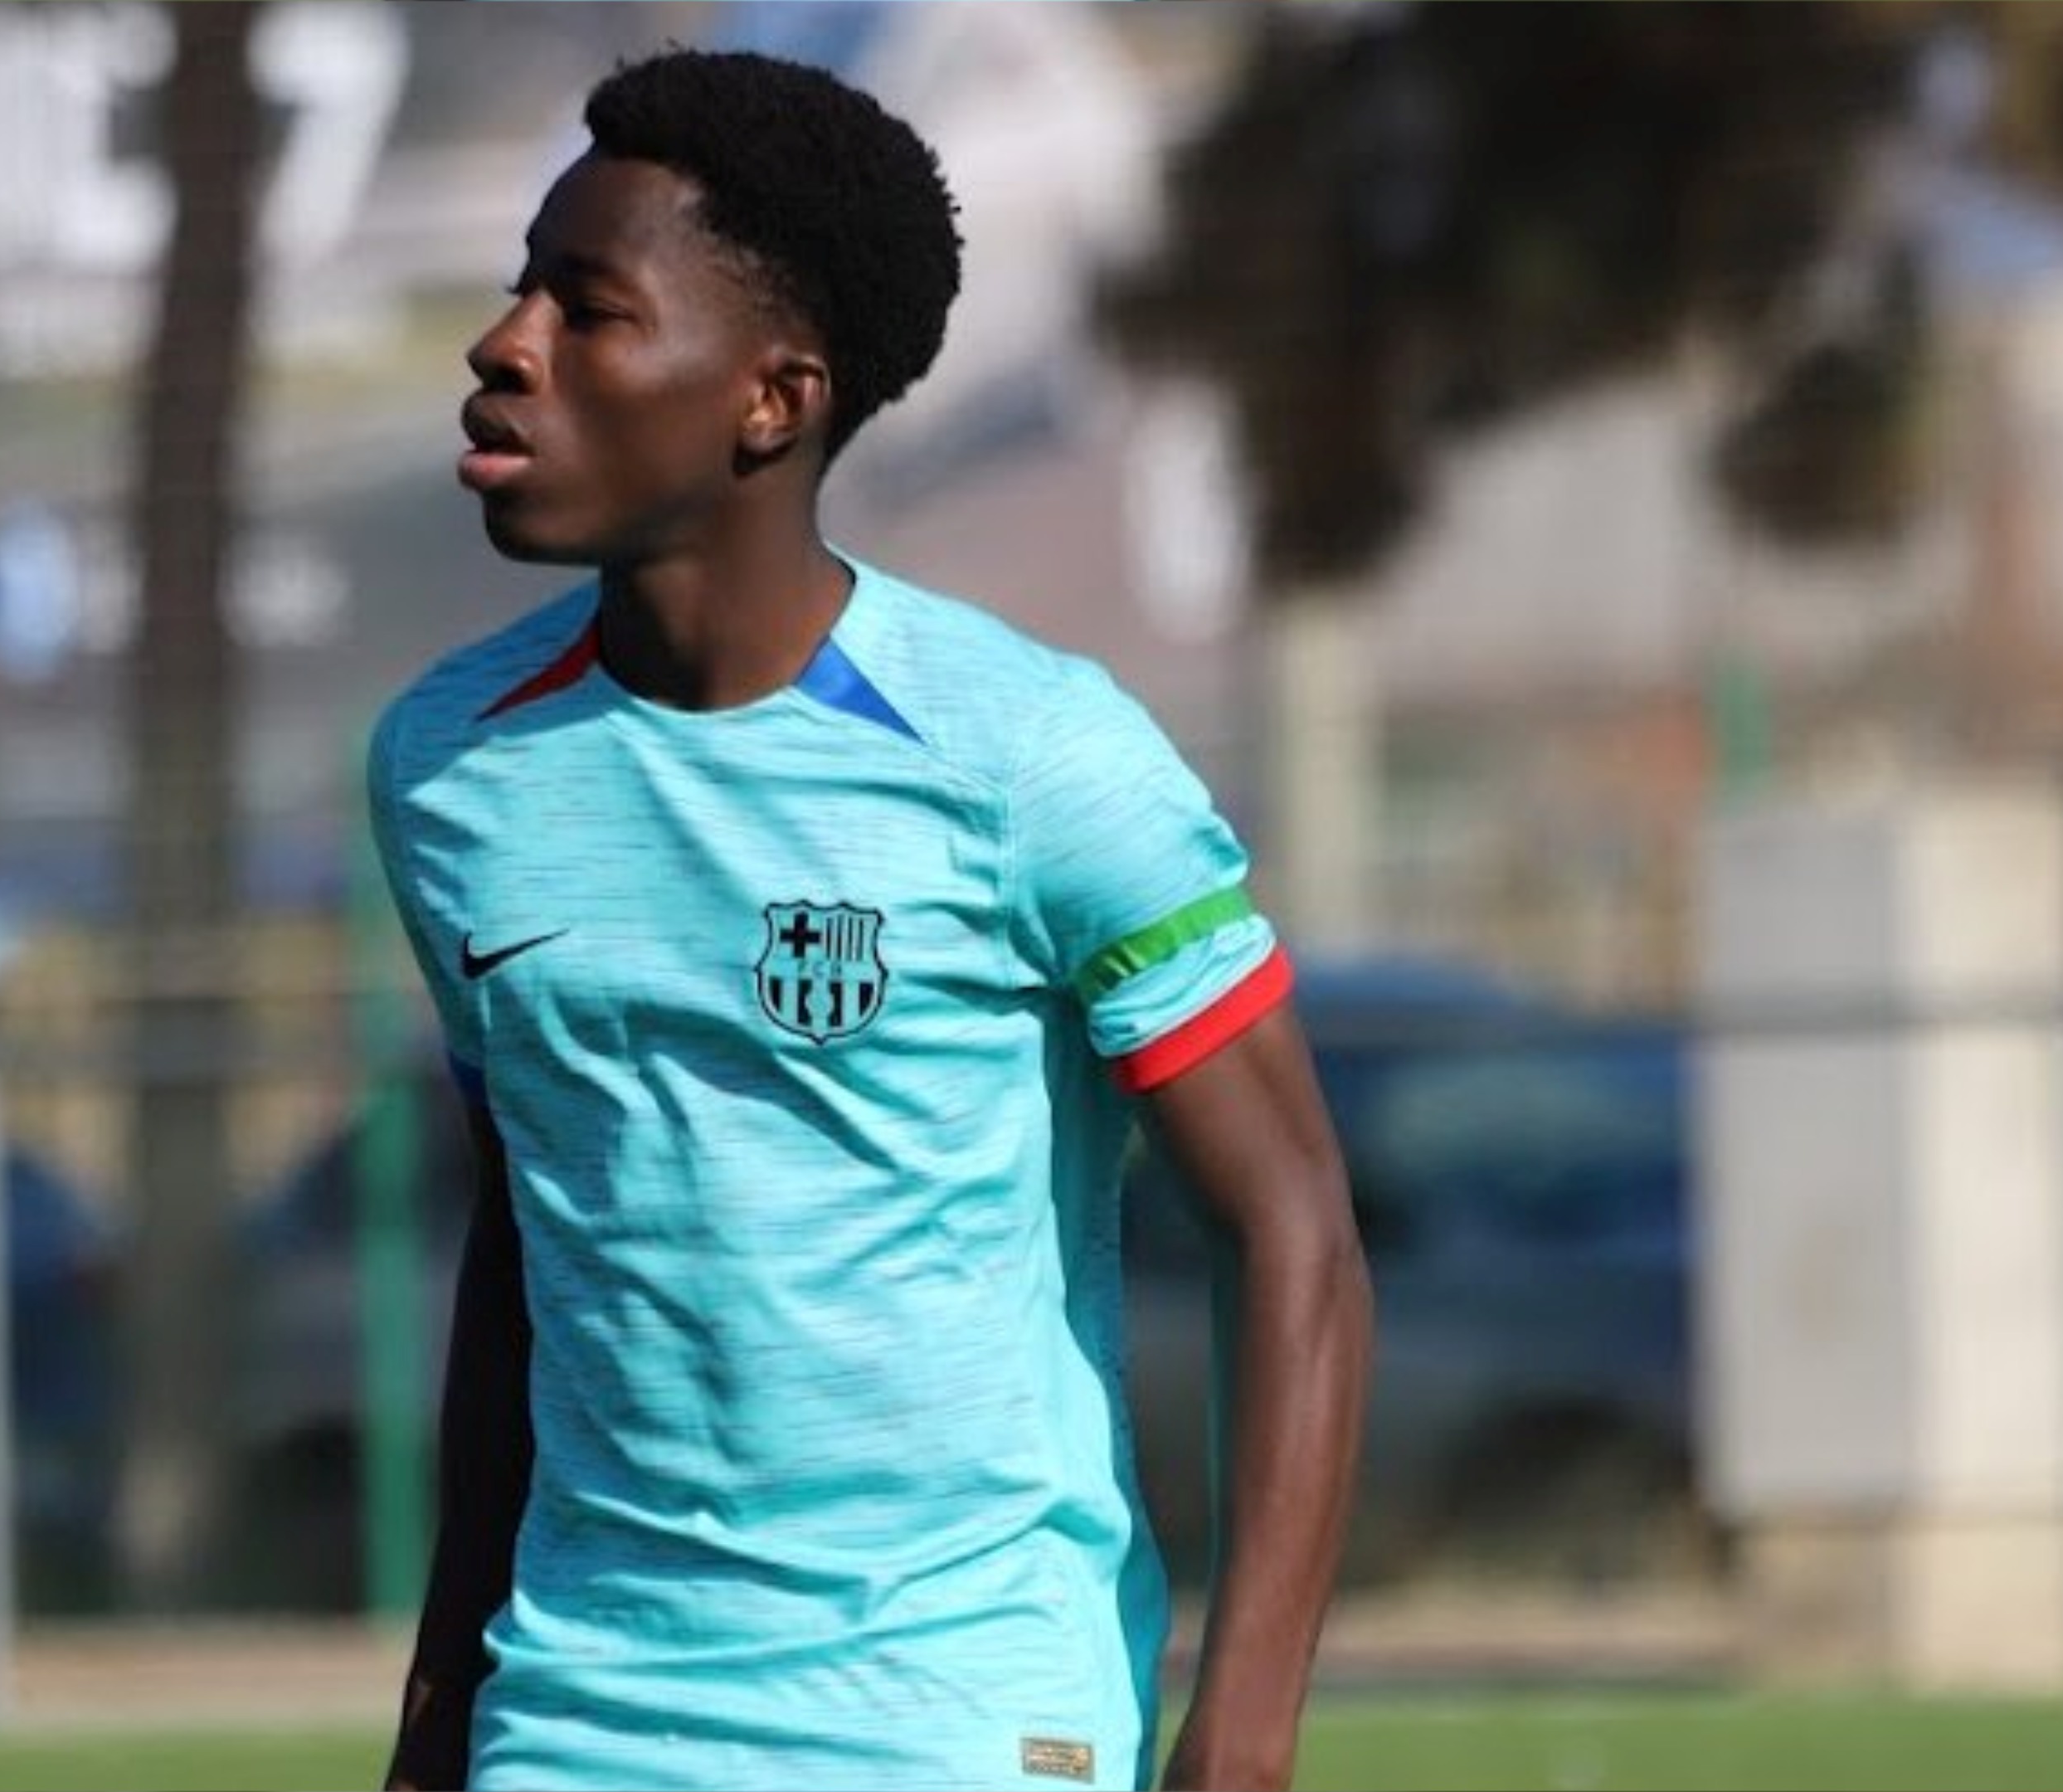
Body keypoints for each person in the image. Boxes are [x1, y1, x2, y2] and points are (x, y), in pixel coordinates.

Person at [368, 50, 1371, 1792]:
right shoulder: (451, 767)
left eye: (588, 311)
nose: (505, 344)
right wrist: (444, 1710)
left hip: (959, 1720)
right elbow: (527, 1242)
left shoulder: (1032, 758)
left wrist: (1245, 1735)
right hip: (582, 1724)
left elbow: (1294, 1226)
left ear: (773, 401)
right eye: (522, 289)